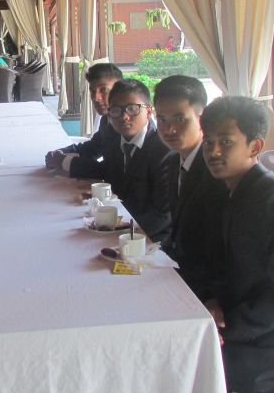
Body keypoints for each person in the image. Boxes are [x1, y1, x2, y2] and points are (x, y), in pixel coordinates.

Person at [195, 96, 274, 393]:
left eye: (226, 142)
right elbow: (220, 267)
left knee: (176, 364)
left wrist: (225, 326)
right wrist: (212, 301)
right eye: (209, 142)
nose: (213, 151)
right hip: (239, 331)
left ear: (255, 147)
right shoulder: (228, 192)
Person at [151, 76, 227, 263]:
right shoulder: (173, 162)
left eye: (179, 119)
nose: (169, 129)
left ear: (203, 118)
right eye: (161, 119)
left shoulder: (217, 168)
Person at [94, 79, 172, 241]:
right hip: (120, 223)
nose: (124, 117)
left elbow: (162, 215)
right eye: (116, 110)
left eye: (132, 109)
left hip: (151, 238)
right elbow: (105, 170)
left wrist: (120, 230)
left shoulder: (164, 150)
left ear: (148, 112)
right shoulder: (113, 137)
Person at [44, 63, 122, 178]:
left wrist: (65, 162)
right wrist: (59, 153)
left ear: (120, 90)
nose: (96, 98)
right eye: (93, 91)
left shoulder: (127, 125)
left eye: (104, 90)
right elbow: (93, 148)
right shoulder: (107, 119)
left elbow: (109, 171)